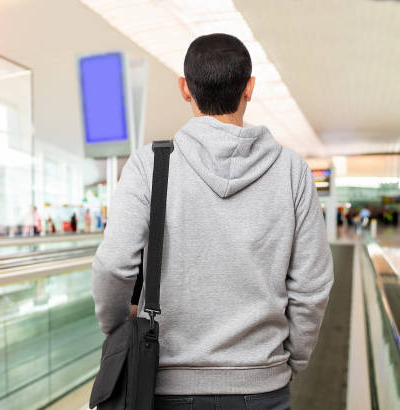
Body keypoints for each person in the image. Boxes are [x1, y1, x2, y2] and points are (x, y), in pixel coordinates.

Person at [92, 33, 333, 409]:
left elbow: (113, 265)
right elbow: (313, 286)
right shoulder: (292, 171)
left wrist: (116, 329)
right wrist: (292, 359)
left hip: (167, 385)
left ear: (185, 89)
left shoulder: (150, 165)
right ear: (249, 89)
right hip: (264, 386)